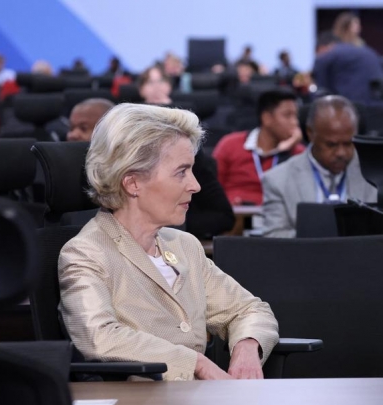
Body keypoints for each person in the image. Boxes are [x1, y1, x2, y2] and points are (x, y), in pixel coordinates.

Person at [59, 103, 278, 381]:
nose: (196, 185)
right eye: (181, 171)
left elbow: (249, 309)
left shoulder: (184, 245)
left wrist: (247, 345)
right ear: (132, 182)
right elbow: (99, 337)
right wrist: (196, 363)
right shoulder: (86, 253)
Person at [261, 95, 383, 238]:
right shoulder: (278, 180)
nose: (341, 152)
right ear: (310, 133)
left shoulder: (378, 171)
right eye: (331, 144)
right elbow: (273, 236)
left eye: (349, 143)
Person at [213, 89, 305, 206]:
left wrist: (284, 153)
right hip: (236, 218)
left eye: (296, 116)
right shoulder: (229, 144)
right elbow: (211, 190)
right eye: (287, 116)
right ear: (267, 118)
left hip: (277, 219)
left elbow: (302, 197)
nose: (295, 122)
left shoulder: (297, 153)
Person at [312, 32, 383, 105]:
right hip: (380, 106)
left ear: (322, 47)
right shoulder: (369, 51)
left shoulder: (330, 53)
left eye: (317, 53)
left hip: (354, 107)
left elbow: (320, 92)